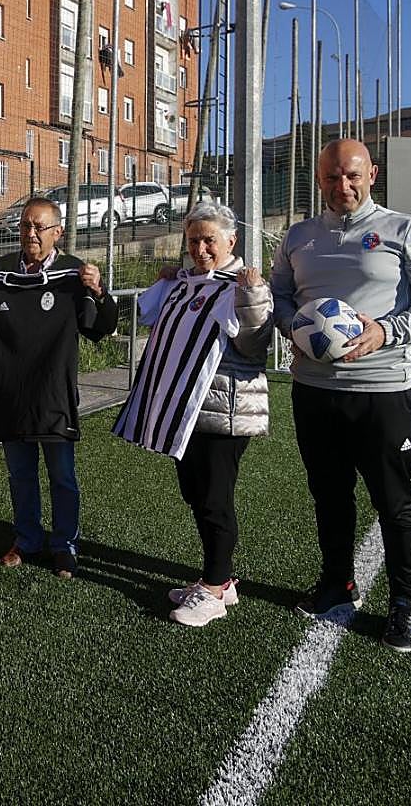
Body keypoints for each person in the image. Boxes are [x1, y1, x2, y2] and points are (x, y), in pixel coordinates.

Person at [271, 138, 411, 651]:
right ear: (319, 178)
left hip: (381, 392)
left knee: (395, 502)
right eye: (331, 177)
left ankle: (405, 603)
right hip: (313, 391)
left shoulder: (406, 230)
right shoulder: (300, 235)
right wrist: (295, 329)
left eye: (352, 175)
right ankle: (337, 584)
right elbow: (281, 296)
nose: (342, 186)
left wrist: (385, 332)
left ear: (372, 173)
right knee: (329, 496)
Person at [131, 202, 273, 626]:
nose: (201, 248)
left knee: (214, 498)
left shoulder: (244, 284)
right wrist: (165, 281)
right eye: (193, 240)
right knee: (195, 493)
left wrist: (250, 294)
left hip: (225, 411)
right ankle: (219, 578)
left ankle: (214, 589)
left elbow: (254, 346)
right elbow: (145, 315)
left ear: (231, 240)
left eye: (209, 239)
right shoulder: (186, 282)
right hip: (187, 412)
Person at [0, 197, 117, 578]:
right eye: (25, 227)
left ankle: (65, 546)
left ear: (58, 233)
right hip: (11, 395)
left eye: (39, 227)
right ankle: (27, 537)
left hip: (53, 395)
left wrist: (99, 292)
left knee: (62, 476)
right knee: (20, 474)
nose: (30, 234)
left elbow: (99, 329)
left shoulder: (73, 274)